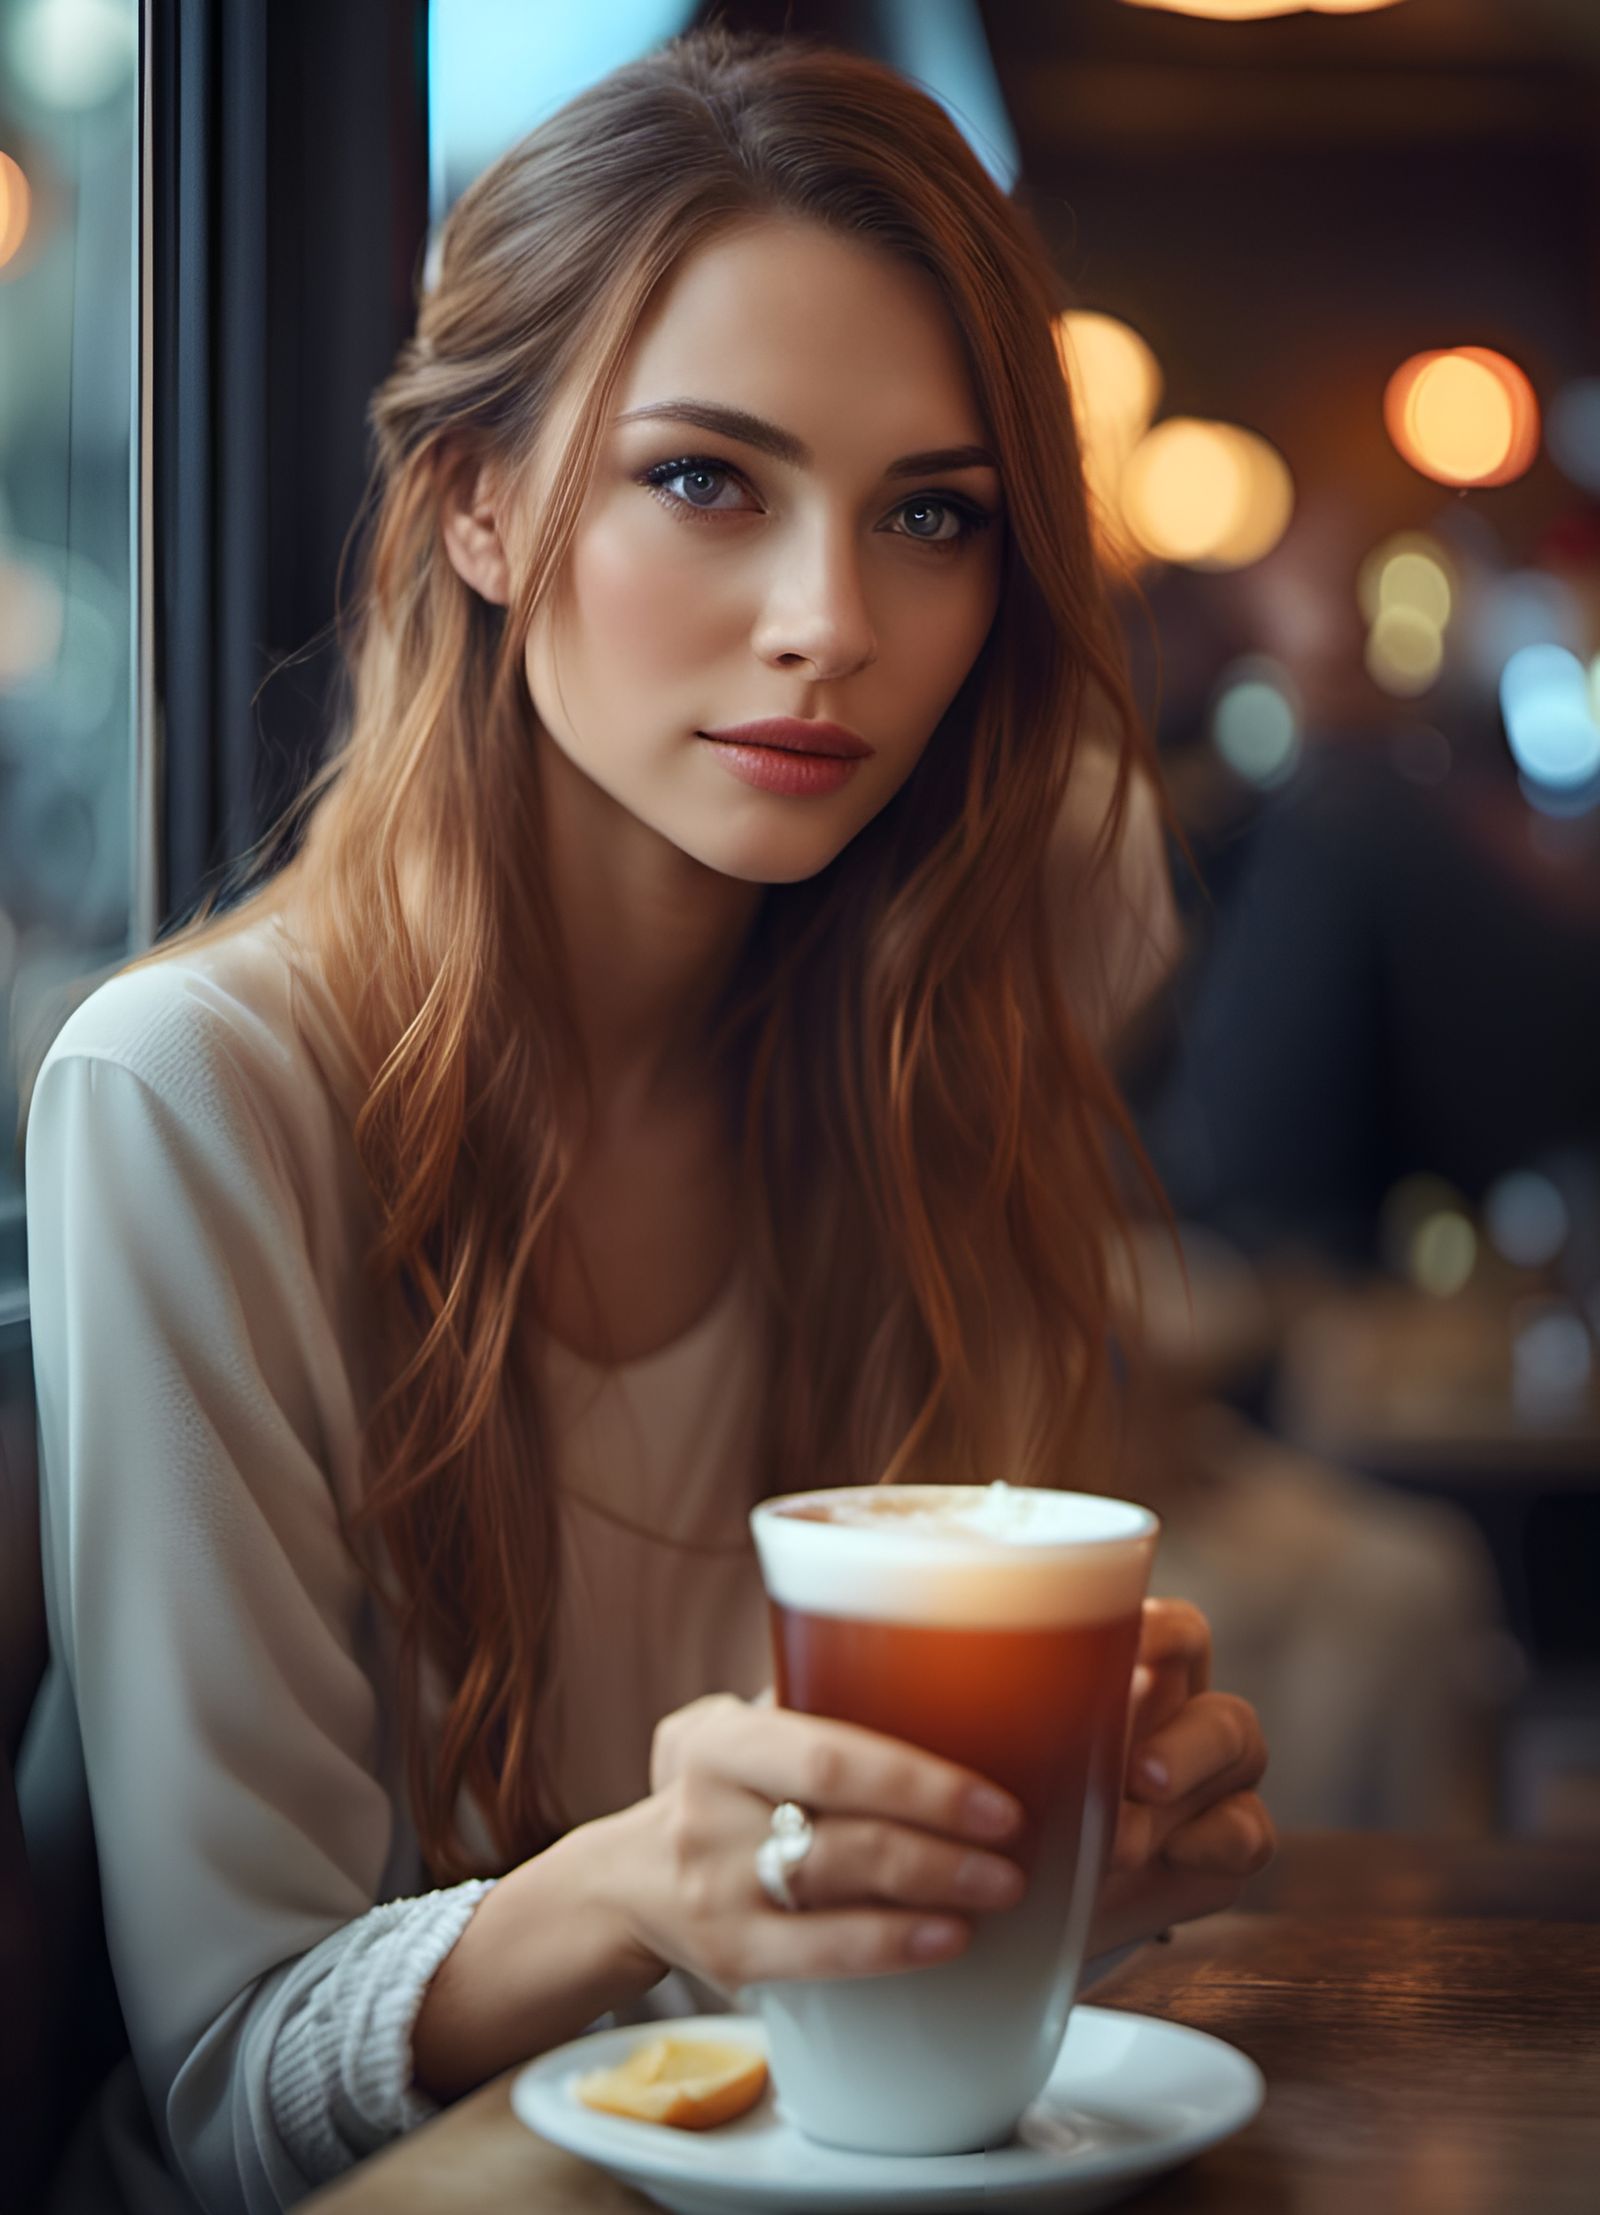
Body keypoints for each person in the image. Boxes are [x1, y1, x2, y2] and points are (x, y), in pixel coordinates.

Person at [25, 30, 1272, 2215]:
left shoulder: (954, 1006)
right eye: (707, 479)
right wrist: (642, 1889)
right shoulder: (197, 1090)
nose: (832, 627)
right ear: (477, 506)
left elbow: (840, 1987)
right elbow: (225, 2088)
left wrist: (1055, 1854)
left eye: (930, 516)